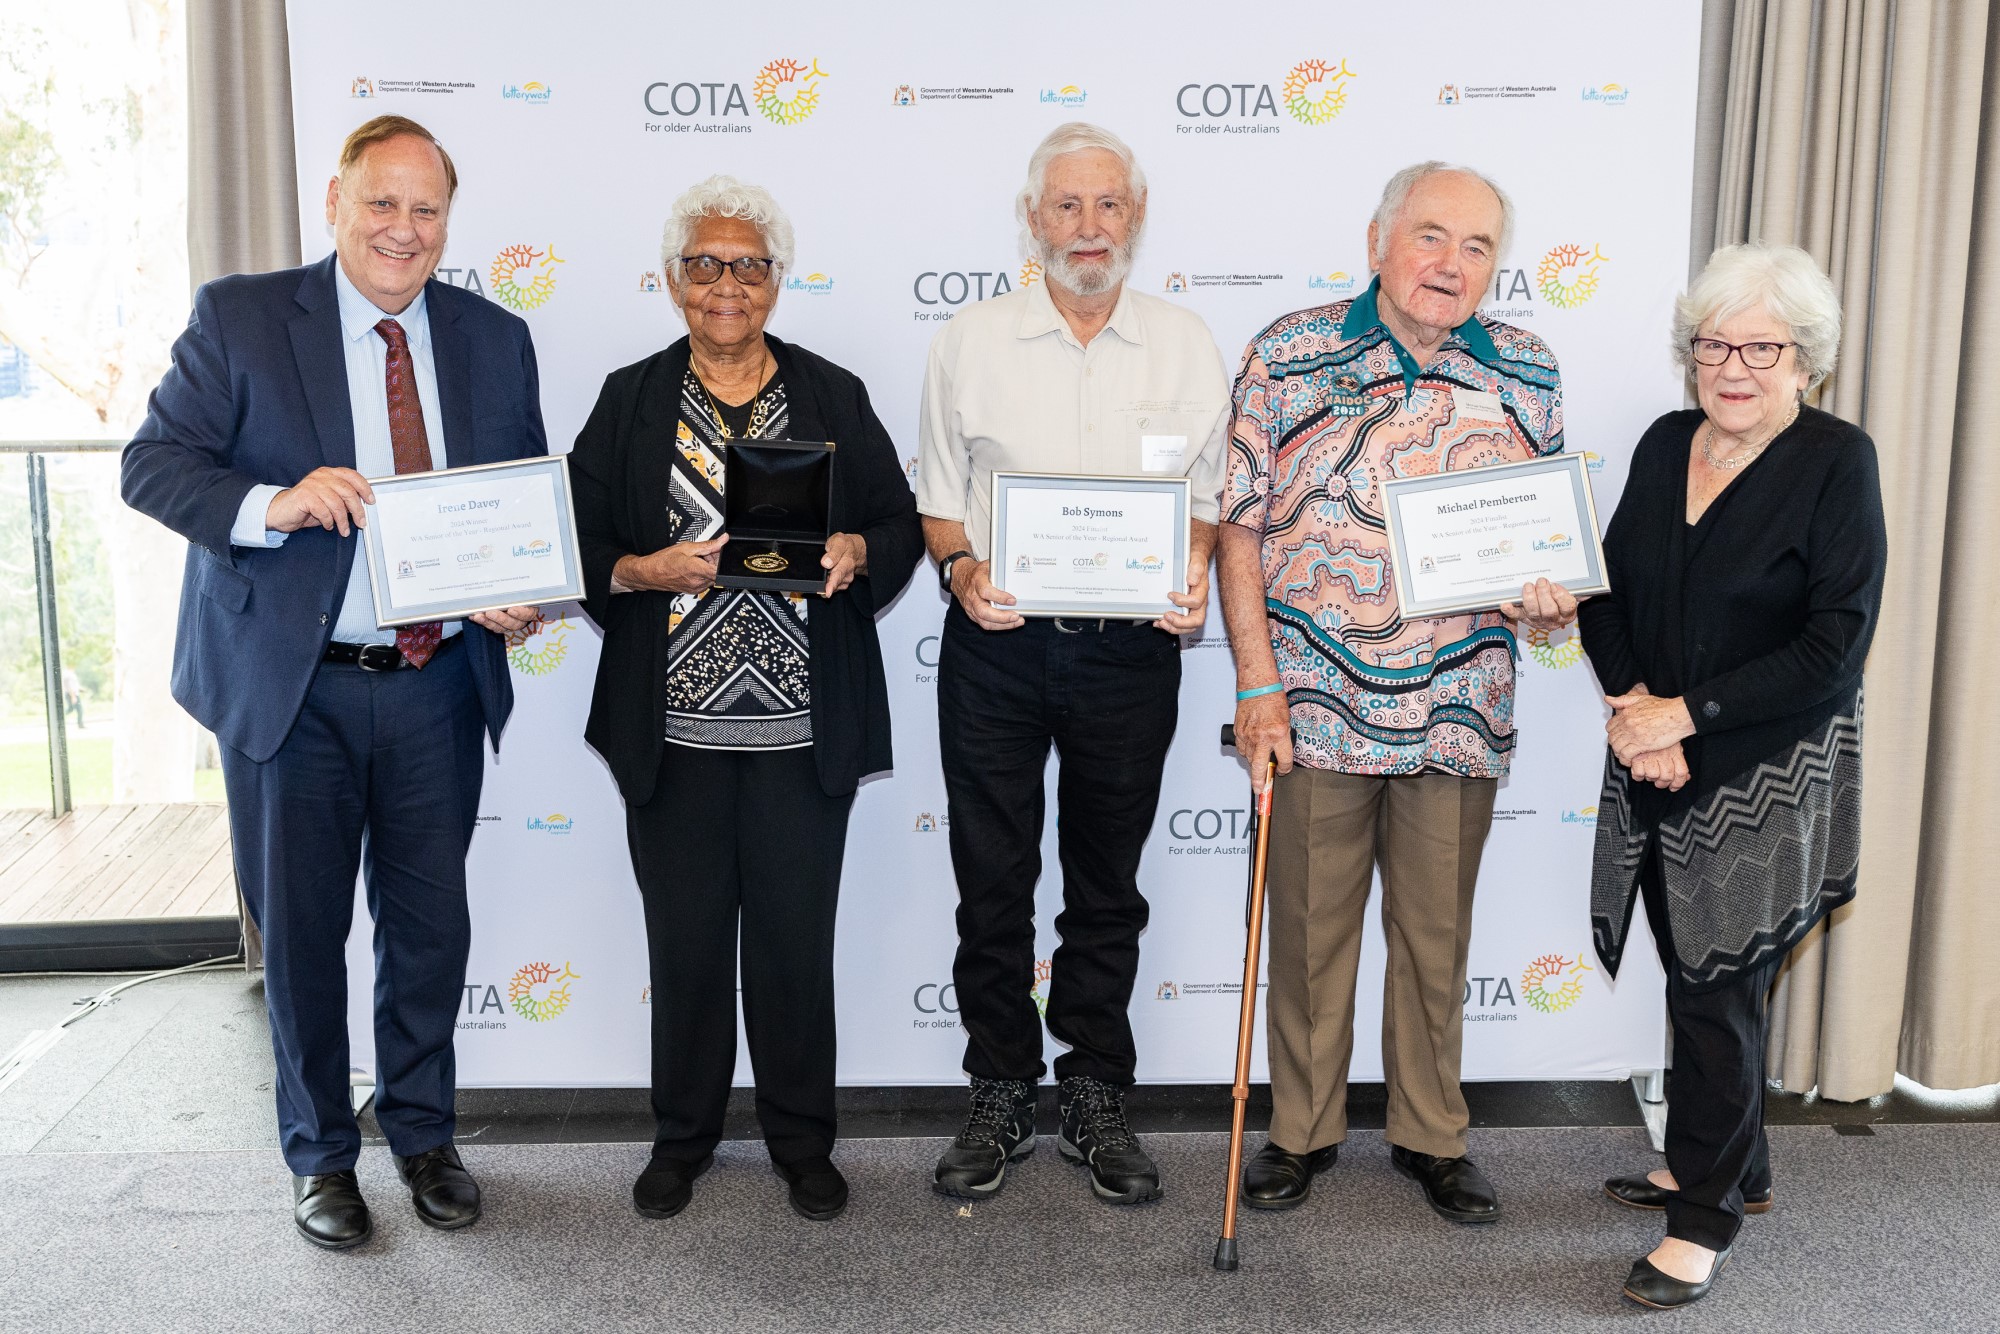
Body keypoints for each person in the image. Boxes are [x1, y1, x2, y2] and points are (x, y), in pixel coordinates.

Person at [120, 115, 545, 1249]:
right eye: (382, 203)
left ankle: (422, 1133)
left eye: (426, 209)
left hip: (438, 682)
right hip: (289, 689)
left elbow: (520, 511)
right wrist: (275, 504)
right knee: (303, 937)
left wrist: (519, 591)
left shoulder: (494, 338)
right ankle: (320, 1156)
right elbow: (152, 464)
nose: (403, 229)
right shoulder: (244, 317)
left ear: (449, 221)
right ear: (335, 202)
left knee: (427, 928)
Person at [1216, 162, 1577, 1225]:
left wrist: (1552, 601)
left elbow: (1545, 544)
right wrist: (1254, 682)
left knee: (1434, 937)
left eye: (1474, 248)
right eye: (1429, 237)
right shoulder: (1289, 352)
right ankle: (1300, 1130)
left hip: (1459, 707)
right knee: (1312, 935)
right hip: (1313, 704)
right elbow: (1236, 524)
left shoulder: (1527, 368)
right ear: (1376, 238)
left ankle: (1431, 1134)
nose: (1448, 264)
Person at [569, 175, 922, 1224]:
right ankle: (681, 1138)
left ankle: (800, 1141)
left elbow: (899, 527)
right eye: (707, 264)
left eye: (750, 265)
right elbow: (577, 540)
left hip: (798, 733)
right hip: (669, 734)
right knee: (681, 945)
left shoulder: (831, 392)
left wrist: (861, 548)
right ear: (675, 279)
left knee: (790, 944)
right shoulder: (631, 396)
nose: (728, 284)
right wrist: (641, 568)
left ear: (777, 279)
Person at [916, 122, 1230, 1205]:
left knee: (1105, 888)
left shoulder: (1187, 343)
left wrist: (1189, 570)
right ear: (1032, 219)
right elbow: (939, 497)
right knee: (992, 882)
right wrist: (957, 570)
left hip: (1127, 660)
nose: (1086, 227)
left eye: (1107, 206)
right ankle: (999, 1086)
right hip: (994, 652)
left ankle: (1095, 1086)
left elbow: (1202, 505)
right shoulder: (968, 339)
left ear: (1134, 218)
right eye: (1066, 206)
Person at [1578, 242, 1885, 1309]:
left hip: (1762, 773)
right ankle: (1735, 1166)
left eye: (1761, 345)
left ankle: (1699, 1218)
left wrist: (1686, 714)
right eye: (1713, 342)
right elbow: (1601, 592)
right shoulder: (1666, 445)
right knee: (1695, 975)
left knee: (1716, 992)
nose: (1733, 365)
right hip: (1653, 756)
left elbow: (1830, 648)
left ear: (1805, 359)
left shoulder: (1835, 462)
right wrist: (1637, 710)